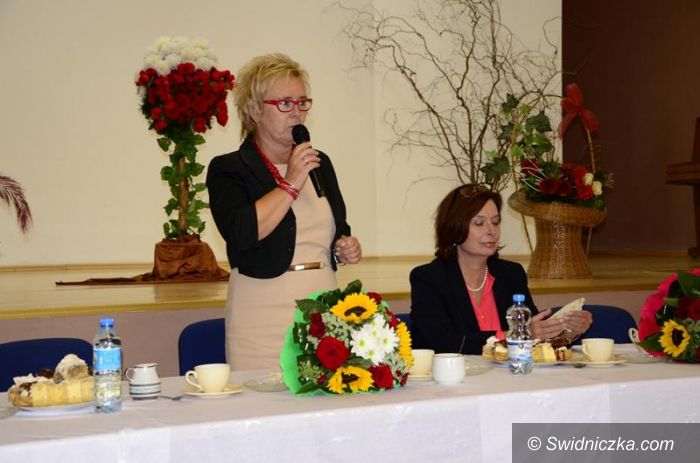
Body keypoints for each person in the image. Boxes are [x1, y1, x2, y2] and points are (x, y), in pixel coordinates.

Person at [207, 53, 361, 370]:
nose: (297, 113)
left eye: (302, 103)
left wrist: (344, 246)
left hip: (322, 310)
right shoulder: (229, 169)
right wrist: (290, 183)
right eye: (285, 103)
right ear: (254, 110)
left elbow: (336, 227)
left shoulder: (319, 163)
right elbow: (241, 233)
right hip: (260, 316)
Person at [410, 184, 592, 355]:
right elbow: (445, 343)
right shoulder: (429, 279)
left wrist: (568, 331)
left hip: (509, 374)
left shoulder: (511, 274)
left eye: (495, 222)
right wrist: (517, 335)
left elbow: (535, 334)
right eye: (479, 223)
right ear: (454, 228)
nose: (492, 231)